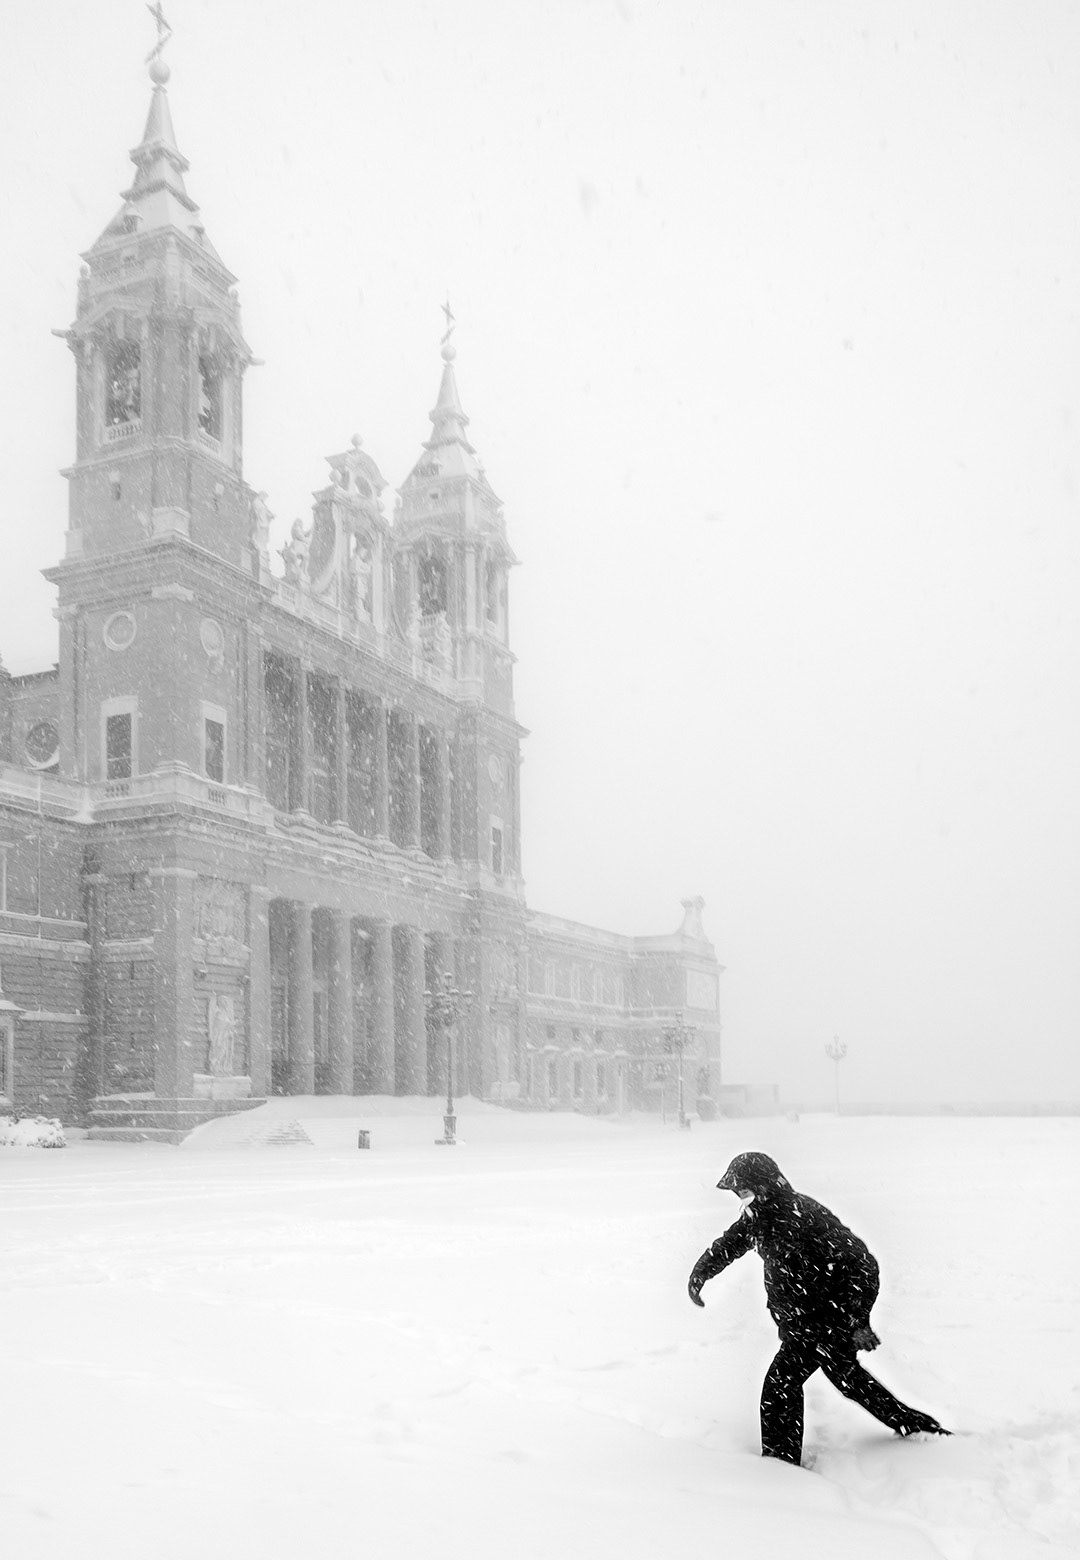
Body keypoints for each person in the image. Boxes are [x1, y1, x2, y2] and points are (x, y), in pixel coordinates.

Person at [688, 1151, 950, 1466]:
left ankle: (779, 1465)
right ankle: (920, 1428)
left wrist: (857, 1320)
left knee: (780, 1386)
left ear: (765, 1185)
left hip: (823, 1321)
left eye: (744, 1190)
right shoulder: (759, 1216)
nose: (741, 1200)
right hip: (804, 1322)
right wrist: (700, 1274)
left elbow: (863, 1266)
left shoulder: (804, 1216)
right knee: (848, 1379)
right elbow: (730, 1244)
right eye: (739, 1194)